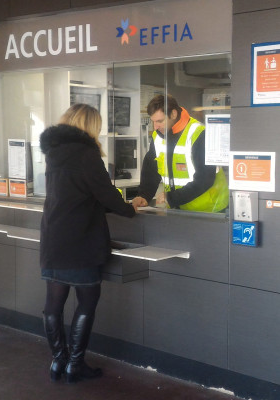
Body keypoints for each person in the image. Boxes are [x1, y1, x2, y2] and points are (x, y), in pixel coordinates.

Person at [39, 104, 137, 384]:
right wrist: (131, 208)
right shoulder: (87, 155)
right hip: (79, 242)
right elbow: (108, 197)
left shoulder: (53, 155)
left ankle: (58, 361)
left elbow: (76, 194)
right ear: (90, 125)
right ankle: (74, 365)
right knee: (86, 303)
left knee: (52, 305)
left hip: (53, 240)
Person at [132, 94, 228, 212]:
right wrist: (144, 196)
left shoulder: (199, 134)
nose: (155, 126)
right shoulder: (158, 137)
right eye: (153, 121)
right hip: (178, 210)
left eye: (160, 121)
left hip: (209, 210)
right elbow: (151, 170)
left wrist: (172, 198)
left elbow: (205, 178)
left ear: (173, 114)